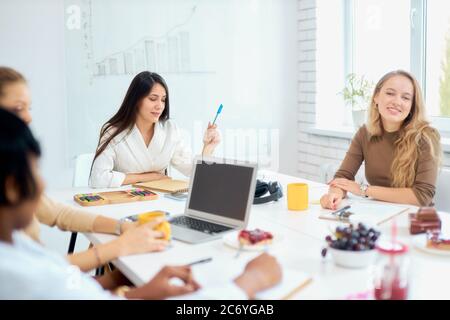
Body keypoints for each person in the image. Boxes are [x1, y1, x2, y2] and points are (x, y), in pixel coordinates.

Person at [0, 108, 282, 299]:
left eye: (162, 99)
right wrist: (249, 283)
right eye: (35, 172)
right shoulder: (17, 272)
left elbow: (64, 285)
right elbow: (52, 282)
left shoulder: (16, 248)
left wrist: (117, 282)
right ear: (12, 187)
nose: (44, 185)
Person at [0, 66, 168, 272]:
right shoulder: (114, 130)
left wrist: (121, 227)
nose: (28, 118)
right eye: (18, 108)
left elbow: (57, 213)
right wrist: (119, 247)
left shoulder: (11, 165)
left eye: (29, 108)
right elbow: (41, 272)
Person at [321, 70, 442, 210]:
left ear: (412, 106)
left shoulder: (426, 136)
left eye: (406, 97)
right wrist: (334, 195)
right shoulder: (364, 133)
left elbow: (422, 196)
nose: (397, 101)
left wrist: (363, 190)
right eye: (390, 93)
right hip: (378, 211)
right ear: (376, 97)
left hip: (415, 218)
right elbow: (343, 176)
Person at [89, 71, 220, 188]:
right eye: (153, 99)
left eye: (163, 100)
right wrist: (150, 177)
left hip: (160, 201)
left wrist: (208, 147)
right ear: (136, 100)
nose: (160, 106)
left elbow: (193, 171)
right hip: (127, 201)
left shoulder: (170, 129)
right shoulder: (113, 132)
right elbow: (98, 178)